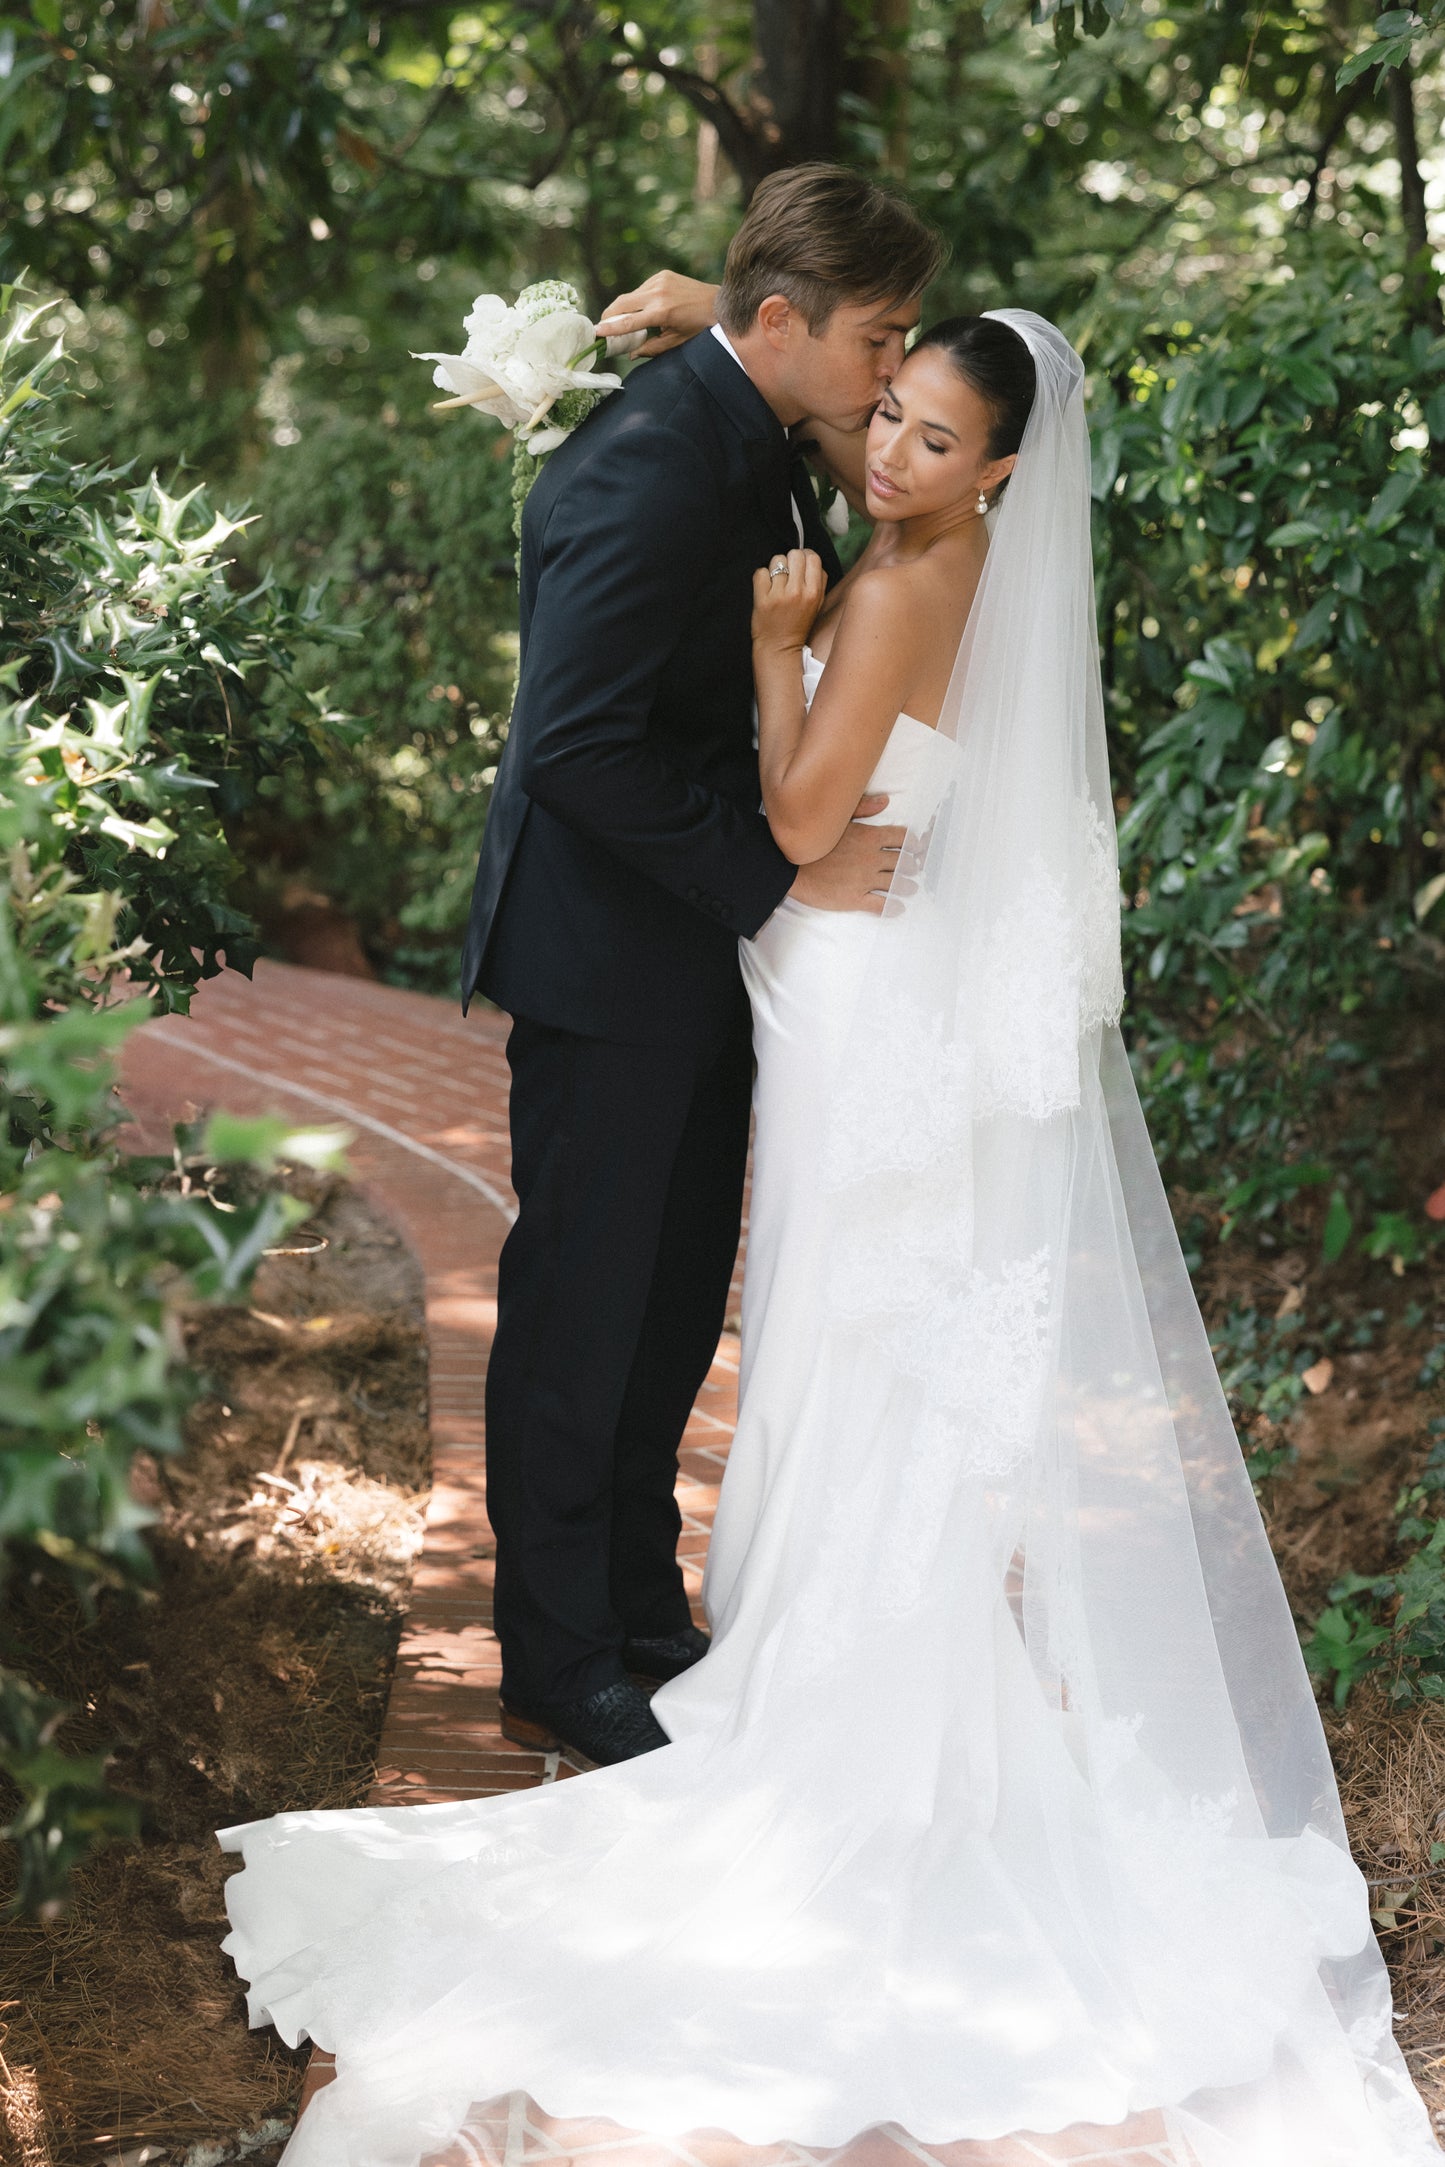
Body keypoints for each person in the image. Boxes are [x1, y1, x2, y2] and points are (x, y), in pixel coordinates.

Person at [218, 308, 1441, 2167]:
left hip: (846, 985)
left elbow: (800, 818)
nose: (888, 455)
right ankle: (829, 1644)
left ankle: (828, 1684)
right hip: (884, 975)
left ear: (1001, 469)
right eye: (887, 414)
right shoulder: (959, 559)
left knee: (825, 1326)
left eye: (935, 441)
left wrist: (771, 652)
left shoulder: (891, 587)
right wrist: (674, 316)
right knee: (845, 1327)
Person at [458, 165, 946, 1770]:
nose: (893, 372)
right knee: (580, 1312)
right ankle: (556, 1655)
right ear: (785, 323)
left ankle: (633, 1607)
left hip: (689, 953)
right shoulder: (653, 466)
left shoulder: (755, 419)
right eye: (879, 341)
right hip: (606, 960)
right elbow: (574, 747)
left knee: (667, 1306)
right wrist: (773, 875)